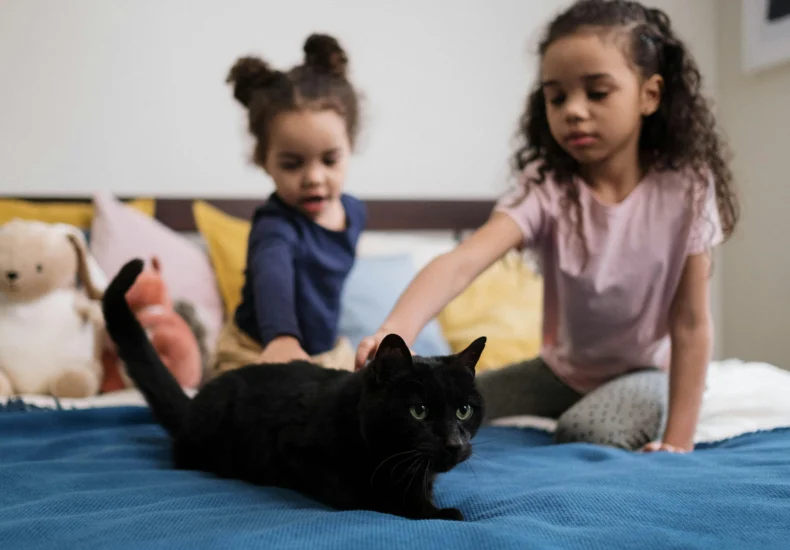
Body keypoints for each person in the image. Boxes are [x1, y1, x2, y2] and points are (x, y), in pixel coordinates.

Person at [355, 0, 739, 453]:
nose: (573, 110)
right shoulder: (547, 187)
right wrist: (392, 329)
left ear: (649, 95)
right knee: (432, 402)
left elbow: (692, 323)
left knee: (588, 432)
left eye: (596, 93)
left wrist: (678, 441)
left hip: (643, 373)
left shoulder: (687, 188)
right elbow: (462, 262)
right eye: (557, 97)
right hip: (557, 372)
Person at [212, 34, 366, 375]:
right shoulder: (274, 227)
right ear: (263, 160)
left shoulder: (354, 212)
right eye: (293, 164)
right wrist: (281, 337)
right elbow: (273, 277)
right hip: (259, 349)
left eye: (329, 160)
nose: (313, 177)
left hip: (324, 351)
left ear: (350, 147)